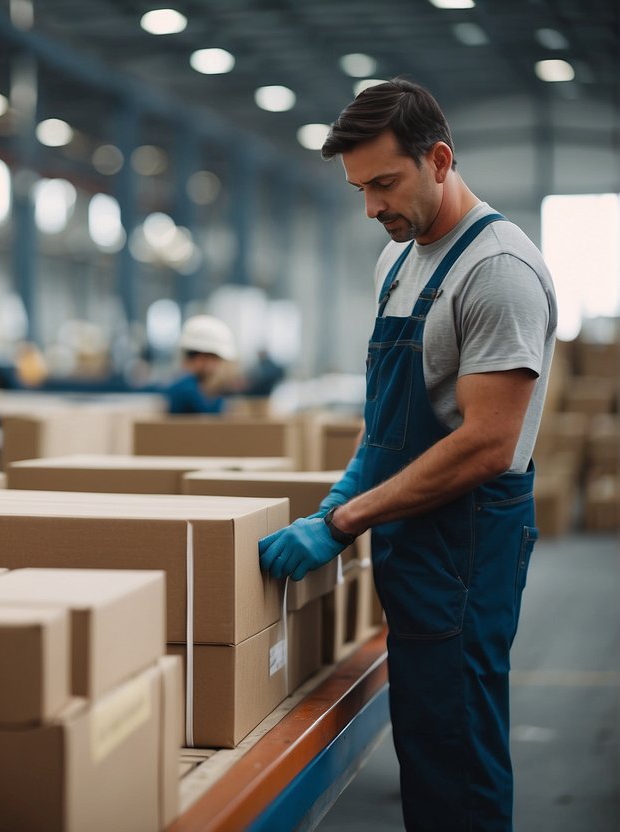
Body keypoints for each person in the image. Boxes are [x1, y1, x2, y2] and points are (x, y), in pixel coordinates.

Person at [258, 79, 557, 831]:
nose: (371, 207)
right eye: (358, 188)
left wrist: (341, 524)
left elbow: (486, 444)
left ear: (439, 159)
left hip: (465, 541)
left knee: (455, 747)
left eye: (383, 183)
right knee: (426, 736)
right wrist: (339, 497)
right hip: (414, 535)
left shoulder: (496, 272)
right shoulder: (399, 261)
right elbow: (389, 422)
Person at [164, 314, 237, 414]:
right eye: (215, 359)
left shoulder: (187, 384)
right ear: (201, 358)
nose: (217, 367)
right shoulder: (187, 389)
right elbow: (209, 421)